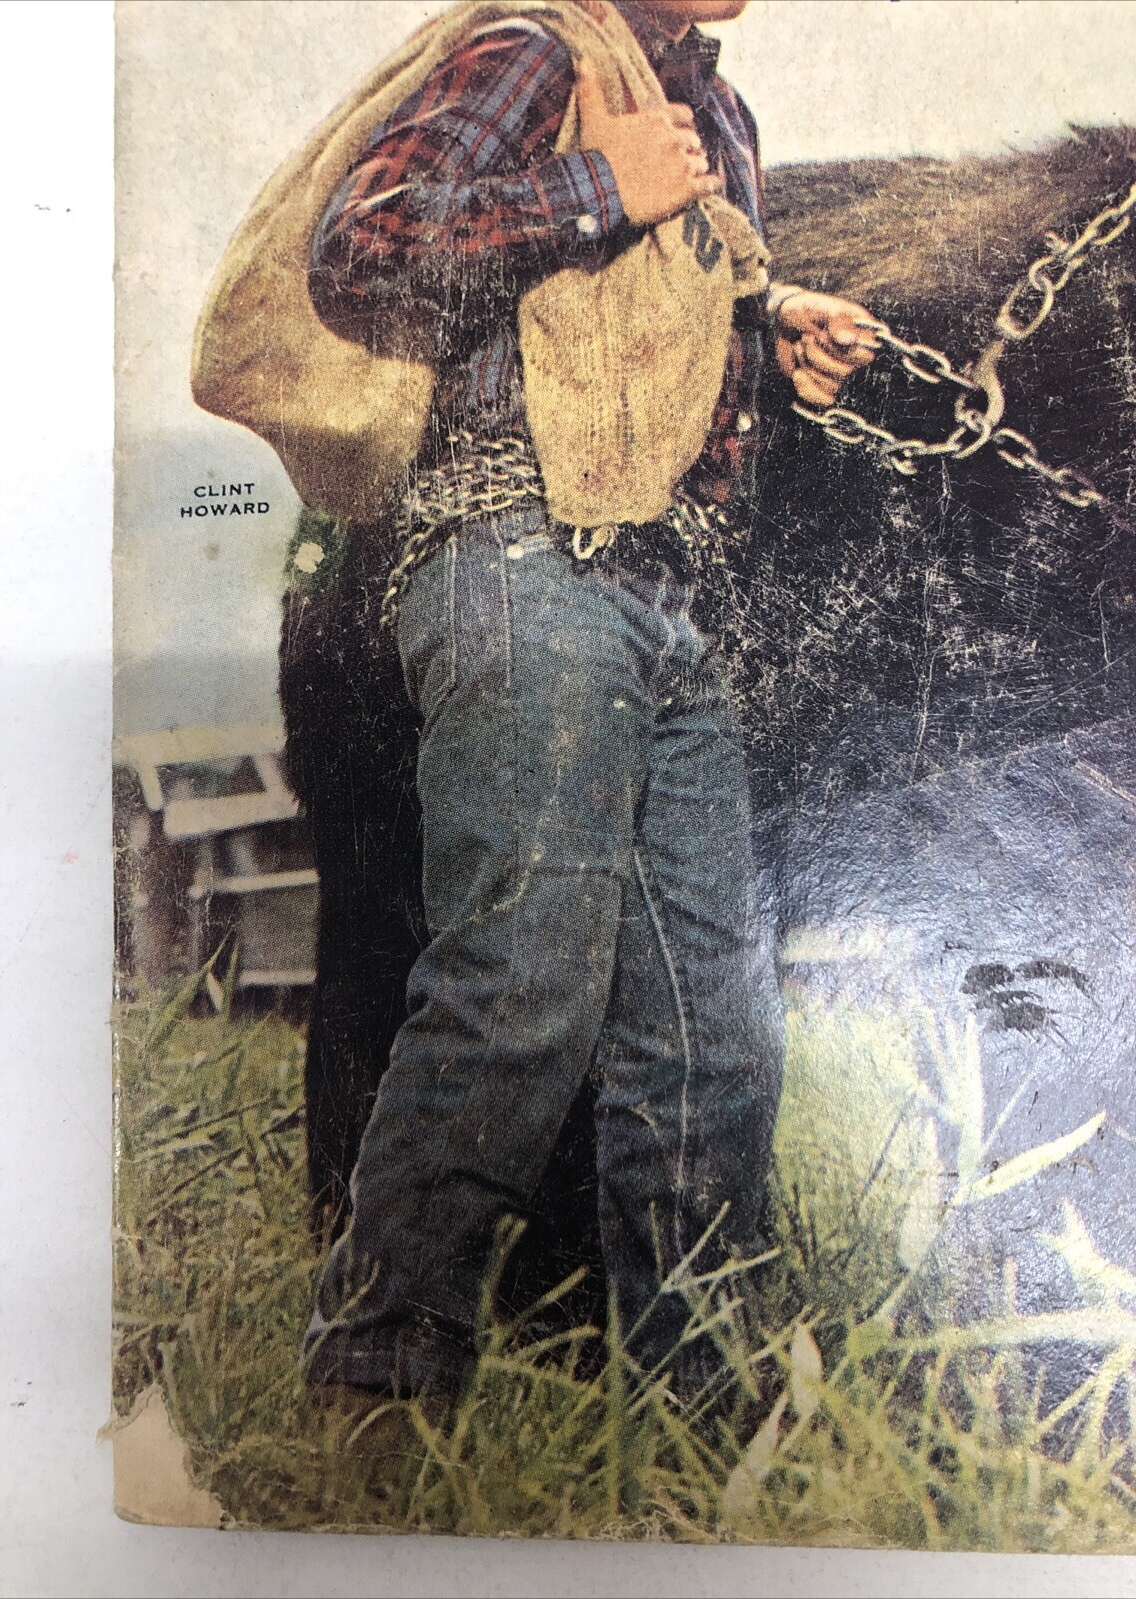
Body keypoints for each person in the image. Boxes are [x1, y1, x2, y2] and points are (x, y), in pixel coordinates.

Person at [300, 0, 878, 1403]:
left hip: (668, 593)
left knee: (714, 1032)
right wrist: (598, 185)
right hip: (517, 559)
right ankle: (377, 1383)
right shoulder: (537, 50)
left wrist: (773, 326)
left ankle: (697, 1407)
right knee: (520, 988)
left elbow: (640, 325)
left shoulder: (718, 111)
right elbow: (361, 247)